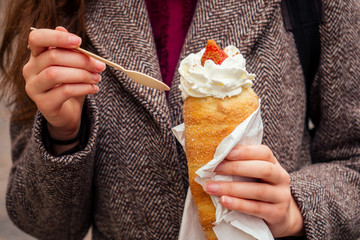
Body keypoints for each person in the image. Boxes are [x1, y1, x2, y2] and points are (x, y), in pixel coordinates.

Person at [0, 0, 359, 239]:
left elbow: (353, 160)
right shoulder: (55, 10)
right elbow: (43, 223)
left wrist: (298, 207)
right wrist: (63, 135)